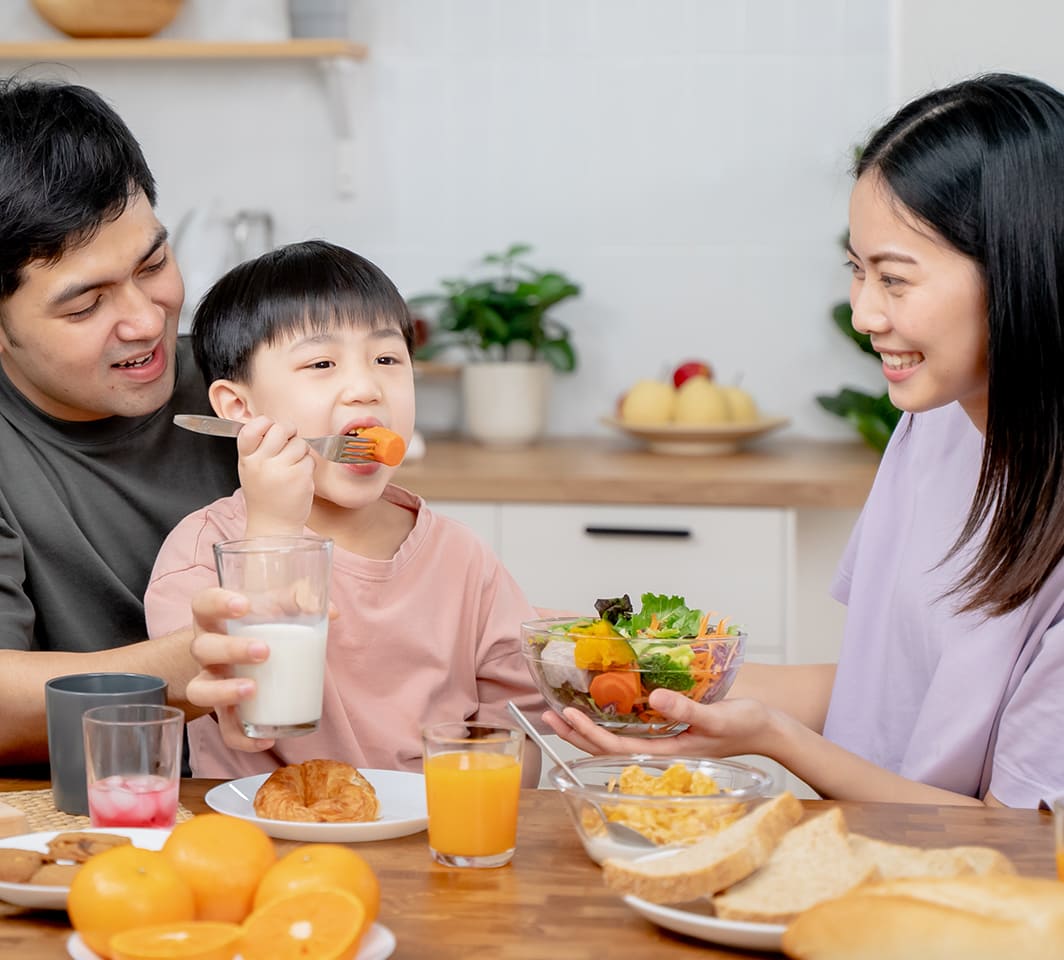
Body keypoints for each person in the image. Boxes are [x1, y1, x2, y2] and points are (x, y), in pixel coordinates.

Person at [545, 72, 1064, 810]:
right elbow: (879, 690)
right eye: (857, 271)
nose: (863, 314)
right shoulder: (934, 428)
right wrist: (633, 679)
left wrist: (772, 738)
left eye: (893, 278)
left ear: (1015, 271)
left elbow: (1022, 843)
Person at [144, 240, 545, 784]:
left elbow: (519, 723)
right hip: (271, 838)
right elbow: (252, 708)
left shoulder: (463, 558)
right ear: (240, 409)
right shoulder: (202, 552)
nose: (365, 388)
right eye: (322, 363)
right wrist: (276, 528)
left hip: (436, 833)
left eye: (386, 359)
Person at [0, 77, 240, 765]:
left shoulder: (245, 388)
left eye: (154, 262)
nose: (145, 320)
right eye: (84, 307)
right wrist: (194, 667)